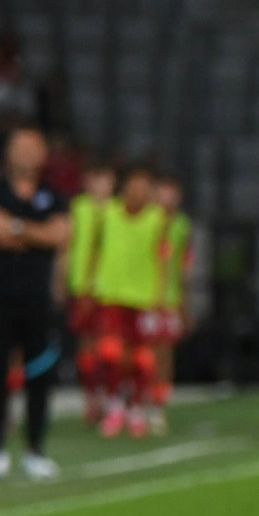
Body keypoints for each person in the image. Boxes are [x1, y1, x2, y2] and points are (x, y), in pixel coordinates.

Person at [0, 128, 69, 479]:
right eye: (20, 147)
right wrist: (34, 234)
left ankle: (35, 451)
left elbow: (58, 235)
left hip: (38, 302)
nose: (26, 154)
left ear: (43, 154)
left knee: (40, 377)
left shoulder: (54, 196)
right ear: (8, 153)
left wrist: (15, 228)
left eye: (33, 147)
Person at [89, 167, 168, 439]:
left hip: (143, 297)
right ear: (124, 188)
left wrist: (160, 295)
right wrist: (89, 285)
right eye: (135, 186)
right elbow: (95, 249)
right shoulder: (108, 213)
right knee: (110, 352)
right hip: (111, 294)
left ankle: (135, 408)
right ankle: (114, 405)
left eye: (144, 187)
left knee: (142, 359)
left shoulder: (157, 219)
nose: (139, 192)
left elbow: (161, 259)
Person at [60, 162, 113, 423]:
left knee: (109, 347)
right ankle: (91, 398)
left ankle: (110, 395)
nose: (100, 186)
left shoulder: (117, 211)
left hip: (110, 289)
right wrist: (61, 278)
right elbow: (67, 245)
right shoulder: (78, 208)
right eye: (96, 179)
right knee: (87, 346)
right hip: (82, 288)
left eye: (106, 180)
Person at [150, 176, 194, 435]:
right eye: (162, 192)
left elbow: (183, 267)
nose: (166, 198)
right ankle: (126, 403)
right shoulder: (144, 221)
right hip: (142, 298)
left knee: (164, 357)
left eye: (171, 193)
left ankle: (157, 408)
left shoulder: (181, 226)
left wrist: (182, 305)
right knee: (134, 355)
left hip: (168, 300)